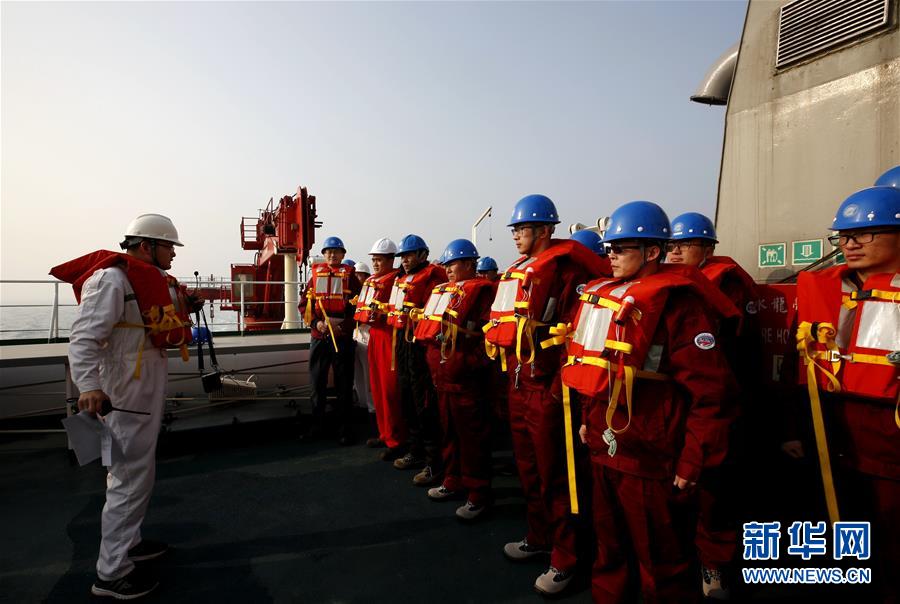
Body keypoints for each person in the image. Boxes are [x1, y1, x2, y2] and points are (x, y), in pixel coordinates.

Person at [560, 201, 740, 603]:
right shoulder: (606, 298)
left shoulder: (681, 306)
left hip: (650, 454)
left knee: (660, 561)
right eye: (608, 248)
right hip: (606, 447)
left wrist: (694, 459)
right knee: (609, 549)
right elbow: (599, 371)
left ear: (652, 251)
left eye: (621, 248)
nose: (610, 256)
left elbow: (712, 396)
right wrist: (589, 419)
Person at [49, 214, 196, 599]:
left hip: (142, 387)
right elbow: (83, 339)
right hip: (123, 393)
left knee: (137, 474)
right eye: (168, 247)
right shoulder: (111, 280)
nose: (173, 255)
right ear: (146, 246)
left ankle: (129, 544)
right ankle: (111, 573)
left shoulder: (144, 280)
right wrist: (90, 386)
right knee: (128, 478)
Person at [483, 194, 610, 596]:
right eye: (516, 230)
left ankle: (566, 557)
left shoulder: (568, 271)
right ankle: (538, 536)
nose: (516, 236)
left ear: (544, 230)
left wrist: (557, 391)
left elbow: (580, 330)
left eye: (522, 229)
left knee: (558, 474)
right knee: (529, 469)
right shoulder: (521, 270)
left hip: (548, 385)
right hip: (520, 381)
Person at [789, 183, 900, 603]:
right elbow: (801, 364)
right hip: (831, 433)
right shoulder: (826, 290)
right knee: (840, 536)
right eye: (844, 236)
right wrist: (795, 429)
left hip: (889, 439)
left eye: (864, 234)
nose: (850, 244)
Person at [666, 211, 761, 599]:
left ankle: (714, 564)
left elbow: (732, 349)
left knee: (713, 491)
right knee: (677, 486)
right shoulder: (666, 287)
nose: (674, 253)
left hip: (715, 403)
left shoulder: (726, 287)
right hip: (673, 403)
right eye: (670, 246)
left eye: (683, 246)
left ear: (706, 248)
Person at [414, 239, 497, 520]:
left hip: (466, 381)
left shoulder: (484, 293)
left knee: (472, 439)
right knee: (448, 433)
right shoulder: (443, 292)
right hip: (442, 378)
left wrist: (471, 367)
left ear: (471, 265)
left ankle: (479, 495)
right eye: (446, 264)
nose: (448, 269)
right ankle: (453, 480)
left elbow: (489, 339)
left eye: (455, 264)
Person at [386, 234, 447, 486]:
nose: (406, 260)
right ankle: (415, 450)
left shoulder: (434, 277)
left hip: (420, 344)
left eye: (410, 255)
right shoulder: (400, 278)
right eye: (403, 256)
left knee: (424, 402)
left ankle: (435, 461)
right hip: (402, 340)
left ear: (423, 254)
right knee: (406, 398)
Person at [300, 236, 362, 445]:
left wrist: (342, 326)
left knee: (344, 384)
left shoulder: (351, 277)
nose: (332, 255)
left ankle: (345, 429)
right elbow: (303, 305)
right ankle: (317, 427)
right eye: (328, 251)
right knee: (317, 383)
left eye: (336, 251)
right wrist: (316, 323)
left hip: (342, 339)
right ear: (324, 255)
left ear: (343, 254)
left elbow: (358, 308)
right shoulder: (315, 277)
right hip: (319, 337)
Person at [354, 239, 408, 460]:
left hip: (389, 337)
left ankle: (397, 440)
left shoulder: (397, 281)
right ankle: (385, 433)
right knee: (376, 387)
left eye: (379, 260)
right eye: (373, 260)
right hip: (373, 335)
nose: (375, 264)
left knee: (389, 390)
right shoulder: (373, 281)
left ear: (390, 260)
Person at [351, 261, 376, 441]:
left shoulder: (370, 291)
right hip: (356, 335)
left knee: (368, 375)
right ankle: (361, 404)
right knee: (358, 374)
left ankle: (372, 409)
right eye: (356, 274)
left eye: (361, 274)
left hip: (367, 335)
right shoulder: (353, 293)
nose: (358, 277)